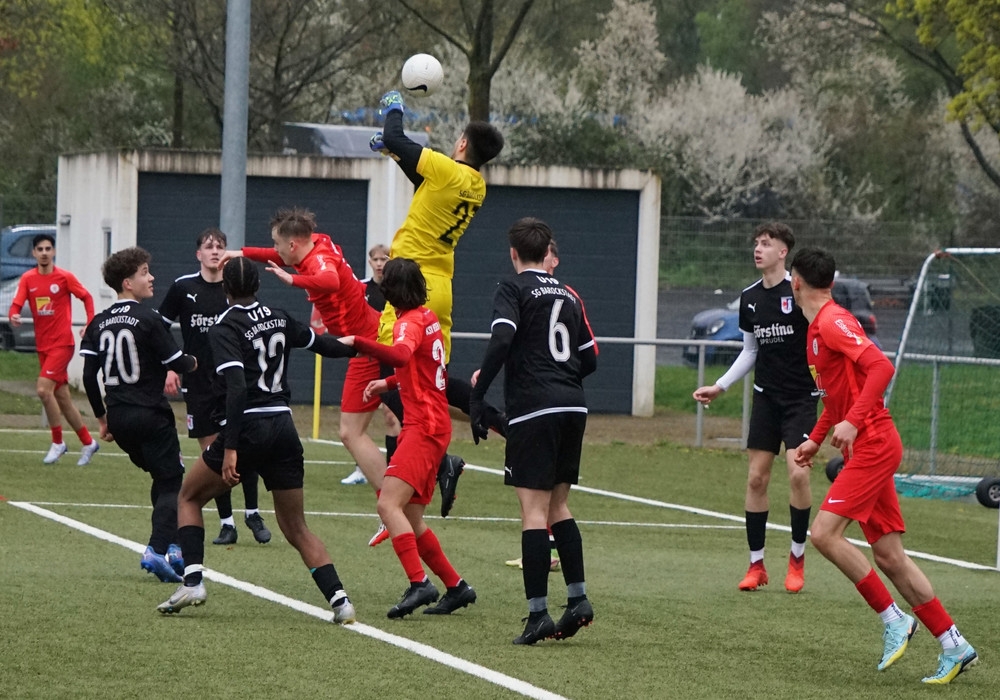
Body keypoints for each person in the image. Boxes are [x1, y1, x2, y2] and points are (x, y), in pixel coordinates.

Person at [790, 247, 978, 685]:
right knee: (890, 556)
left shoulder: (832, 322)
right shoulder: (817, 329)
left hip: (873, 443)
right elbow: (837, 398)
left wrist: (854, 422)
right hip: (866, 446)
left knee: (823, 534)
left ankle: (894, 619)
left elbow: (881, 367)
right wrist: (815, 439)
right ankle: (954, 644)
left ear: (796, 282)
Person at [156, 257, 359, 623]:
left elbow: (237, 388)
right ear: (259, 286)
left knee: (188, 497)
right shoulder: (279, 316)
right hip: (283, 427)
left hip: (249, 427)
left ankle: (193, 582)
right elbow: (325, 345)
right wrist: (360, 345)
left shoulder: (225, 326)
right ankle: (341, 602)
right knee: (296, 526)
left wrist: (231, 447)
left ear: (226, 289)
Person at [371, 90, 507, 517]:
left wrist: (394, 107)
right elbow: (425, 184)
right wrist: (395, 153)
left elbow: (398, 136)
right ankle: (505, 425)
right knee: (435, 377)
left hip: (411, 281)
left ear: (462, 143)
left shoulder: (447, 170)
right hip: (441, 284)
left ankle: (440, 458)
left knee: (389, 370)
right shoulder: (476, 185)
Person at [468, 217, 598, 645]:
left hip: (535, 408)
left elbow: (503, 338)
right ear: (547, 254)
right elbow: (589, 359)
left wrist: (479, 393)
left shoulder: (512, 288)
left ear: (513, 254)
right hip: (572, 405)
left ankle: (538, 614)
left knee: (534, 513)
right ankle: (577, 599)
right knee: (559, 505)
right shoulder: (569, 294)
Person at [225, 208, 388, 543]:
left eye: (278, 244)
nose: (276, 250)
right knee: (408, 407)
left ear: (294, 244)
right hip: (366, 338)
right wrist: (241, 253)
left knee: (351, 432)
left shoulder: (318, 261)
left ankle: (390, 507)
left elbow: (329, 280)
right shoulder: (315, 243)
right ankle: (427, 475)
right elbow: (280, 256)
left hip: (365, 345)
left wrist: (293, 280)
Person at [343, 257, 476, 619]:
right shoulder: (427, 316)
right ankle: (456, 586)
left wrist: (360, 342)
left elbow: (401, 353)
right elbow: (422, 368)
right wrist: (387, 382)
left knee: (388, 507)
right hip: (432, 423)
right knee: (411, 518)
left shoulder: (408, 323)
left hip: (424, 427)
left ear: (390, 291)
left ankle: (420, 583)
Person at [692, 222, 816, 593]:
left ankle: (797, 559)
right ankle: (756, 565)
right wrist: (720, 386)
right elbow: (750, 350)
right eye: (756, 243)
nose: (758, 249)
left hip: (801, 399)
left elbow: (820, 337)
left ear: (783, 252)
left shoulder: (799, 292)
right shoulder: (749, 298)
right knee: (756, 479)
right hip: (766, 399)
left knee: (798, 475)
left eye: (766, 243)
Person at [80, 247, 198, 583]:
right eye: (145, 272)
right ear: (128, 282)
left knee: (162, 478)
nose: (152, 278)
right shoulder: (148, 318)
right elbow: (178, 362)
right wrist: (197, 361)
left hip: (119, 417)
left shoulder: (98, 322)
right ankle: (157, 549)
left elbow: (89, 376)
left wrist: (102, 418)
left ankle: (174, 547)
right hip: (150, 415)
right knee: (173, 481)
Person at [160, 228, 271, 546]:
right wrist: (172, 365)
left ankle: (253, 513)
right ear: (198, 254)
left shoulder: (235, 288)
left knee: (244, 446)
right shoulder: (183, 288)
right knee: (213, 453)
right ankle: (227, 523)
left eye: (220, 246)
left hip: (233, 383)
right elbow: (160, 328)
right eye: (208, 246)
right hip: (199, 384)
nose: (214, 251)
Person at [8, 232, 99, 465]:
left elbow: (87, 298)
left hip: (62, 344)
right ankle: (88, 442)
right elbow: (16, 305)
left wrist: (89, 324)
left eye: (48, 249)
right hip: (43, 347)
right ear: (34, 253)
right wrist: (14, 315)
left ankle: (58, 442)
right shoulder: (28, 279)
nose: (44, 253)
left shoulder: (64, 277)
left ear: (54, 251)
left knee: (42, 390)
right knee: (63, 398)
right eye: (40, 249)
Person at [341, 243, 401, 486]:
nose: (379, 263)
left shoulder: (396, 291)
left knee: (391, 416)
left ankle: (396, 473)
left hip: (388, 357)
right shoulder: (362, 288)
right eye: (375, 259)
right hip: (365, 359)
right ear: (369, 262)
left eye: (383, 259)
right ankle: (362, 469)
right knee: (353, 427)